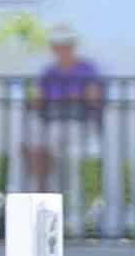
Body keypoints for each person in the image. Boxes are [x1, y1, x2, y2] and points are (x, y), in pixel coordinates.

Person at [21, 21, 104, 194]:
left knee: (46, 142)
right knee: (29, 142)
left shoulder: (87, 69)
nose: (62, 49)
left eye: (65, 45)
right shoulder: (49, 72)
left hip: (78, 121)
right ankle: (40, 189)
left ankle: (43, 191)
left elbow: (94, 98)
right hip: (51, 120)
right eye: (58, 45)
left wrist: (72, 96)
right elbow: (39, 99)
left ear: (72, 46)